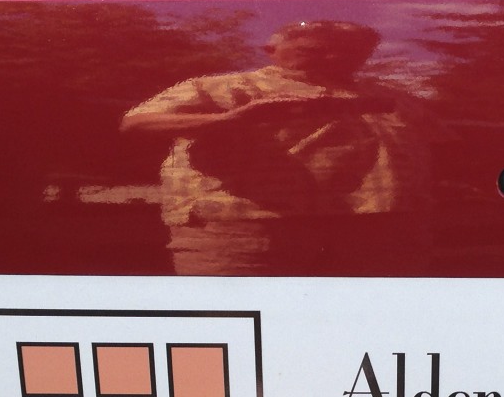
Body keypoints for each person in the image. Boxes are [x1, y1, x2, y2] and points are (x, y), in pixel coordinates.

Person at [120, 20, 429, 275]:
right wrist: (230, 120)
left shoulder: (393, 96)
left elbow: (442, 146)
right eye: (315, 49)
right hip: (246, 229)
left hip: (379, 230)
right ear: (271, 50)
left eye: (352, 50)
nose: (335, 56)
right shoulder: (220, 87)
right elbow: (137, 123)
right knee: (237, 320)